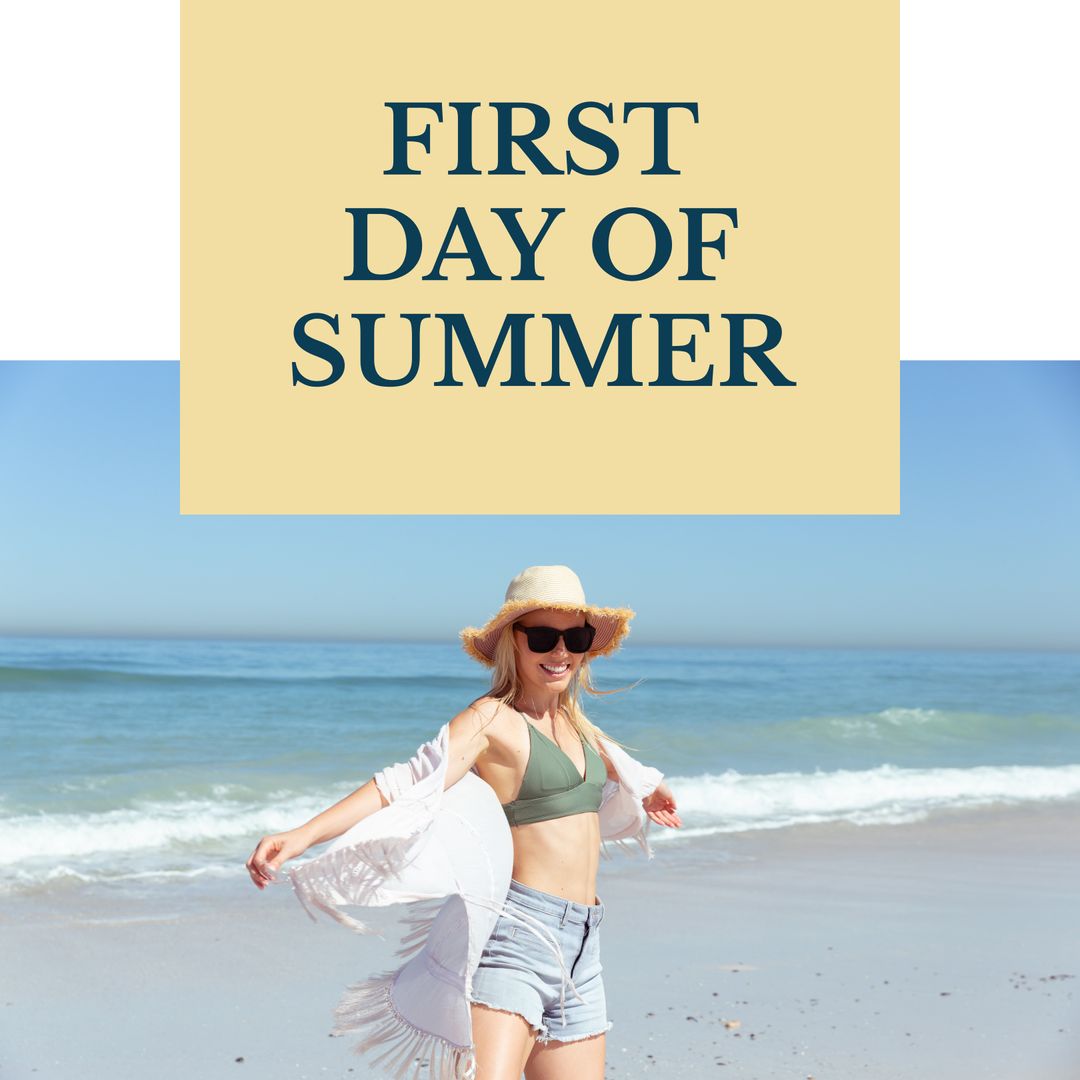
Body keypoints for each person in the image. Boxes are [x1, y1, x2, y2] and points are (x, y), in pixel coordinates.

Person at [245, 565, 681, 1080]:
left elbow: (617, 768)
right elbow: (405, 780)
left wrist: (649, 785)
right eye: (542, 636)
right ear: (512, 643)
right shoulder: (490, 720)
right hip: (518, 937)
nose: (560, 651)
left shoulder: (579, 725)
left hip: (584, 945)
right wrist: (303, 835)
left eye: (575, 637)